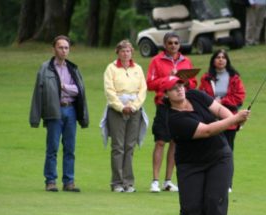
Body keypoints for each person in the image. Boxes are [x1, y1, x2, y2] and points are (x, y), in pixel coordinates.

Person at [162, 77, 250, 215]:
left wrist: (232, 120)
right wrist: (235, 119)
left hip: (218, 158)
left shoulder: (195, 95)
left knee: (214, 201)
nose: (180, 90)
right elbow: (207, 130)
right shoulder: (174, 119)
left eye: (180, 85)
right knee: (190, 207)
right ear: (165, 94)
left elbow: (218, 109)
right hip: (190, 164)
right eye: (173, 88)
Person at [29, 35, 89, 192]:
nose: (64, 50)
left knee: (70, 148)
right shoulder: (45, 68)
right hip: (54, 111)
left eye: (66, 48)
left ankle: (69, 182)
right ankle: (50, 181)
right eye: (61, 47)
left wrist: (64, 87)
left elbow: (79, 90)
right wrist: (35, 118)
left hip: (71, 110)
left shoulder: (73, 68)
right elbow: (38, 93)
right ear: (54, 49)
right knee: (52, 148)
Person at [146, 32, 197, 193]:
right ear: (165, 44)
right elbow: (150, 84)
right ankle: (155, 180)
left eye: (176, 43)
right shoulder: (157, 61)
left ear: (179, 45)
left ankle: (168, 181)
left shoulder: (186, 61)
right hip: (164, 104)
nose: (173, 46)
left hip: (181, 106)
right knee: (161, 141)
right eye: (170, 43)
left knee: (175, 142)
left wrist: (185, 81)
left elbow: (193, 83)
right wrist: (169, 79)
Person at [102, 40, 147, 193]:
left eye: (128, 51)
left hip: (135, 110)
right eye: (122, 51)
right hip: (117, 110)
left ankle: (128, 182)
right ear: (118, 52)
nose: (125, 54)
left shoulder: (138, 69)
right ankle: (117, 182)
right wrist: (121, 107)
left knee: (129, 146)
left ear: (131, 52)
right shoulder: (111, 68)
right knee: (118, 146)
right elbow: (109, 90)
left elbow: (142, 90)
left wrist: (134, 106)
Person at [198, 49, 245, 191]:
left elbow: (239, 96)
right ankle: (210, 181)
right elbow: (201, 95)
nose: (220, 60)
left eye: (223, 57)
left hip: (229, 121)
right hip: (211, 121)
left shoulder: (234, 77)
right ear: (213, 60)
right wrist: (211, 102)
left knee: (227, 151)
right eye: (218, 57)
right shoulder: (206, 78)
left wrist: (221, 102)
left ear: (227, 60)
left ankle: (227, 183)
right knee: (210, 151)